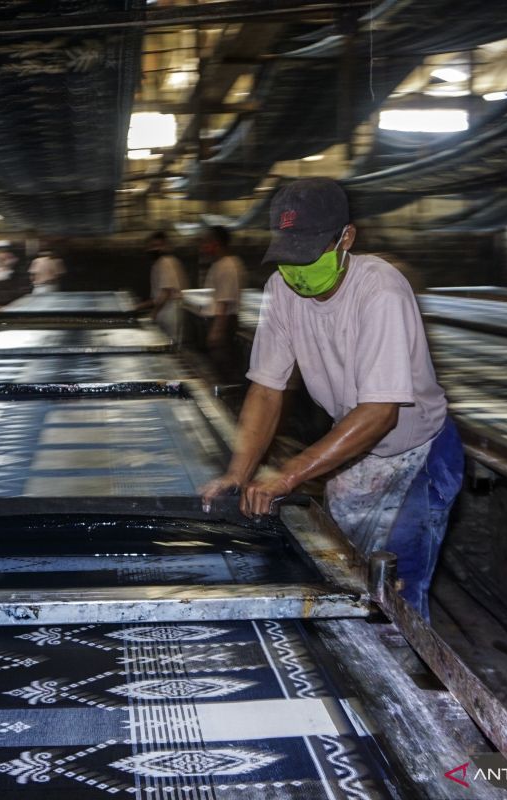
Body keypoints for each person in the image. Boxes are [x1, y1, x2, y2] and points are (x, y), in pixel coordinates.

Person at [200, 178, 462, 620]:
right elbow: (266, 389)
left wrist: (287, 476)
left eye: (310, 254)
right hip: (356, 451)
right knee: (341, 572)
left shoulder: (379, 291)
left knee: (395, 590)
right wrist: (237, 474)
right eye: (288, 256)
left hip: (417, 455)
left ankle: (402, 677)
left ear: (347, 238)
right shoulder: (281, 291)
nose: (298, 271)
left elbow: (380, 413)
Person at [199, 225, 244, 380]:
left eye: (207, 242)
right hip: (218, 320)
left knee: (225, 365)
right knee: (219, 364)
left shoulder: (227, 265)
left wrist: (216, 331)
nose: (203, 246)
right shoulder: (219, 264)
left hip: (223, 321)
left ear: (217, 243)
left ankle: (230, 396)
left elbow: (224, 301)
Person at [136, 231, 188, 340]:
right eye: (151, 246)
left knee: (168, 342)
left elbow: (166, 293)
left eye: (157, 246)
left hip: (169, 309)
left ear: (165, 246)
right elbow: (158, 296)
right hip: (166, 308)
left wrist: (154, 313)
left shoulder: (166, 262)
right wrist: (141, 306)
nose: (154, 250)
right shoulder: (160, 263)